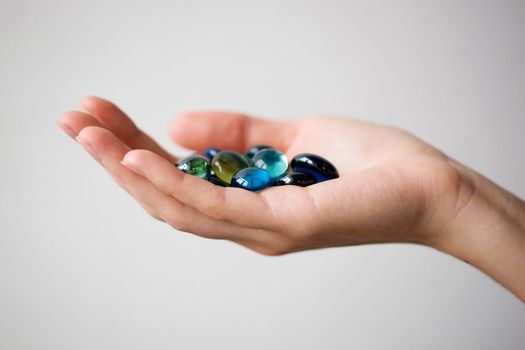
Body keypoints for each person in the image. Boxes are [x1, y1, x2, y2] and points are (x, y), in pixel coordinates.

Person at [57, 96, 525, 302]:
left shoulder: (268, 167)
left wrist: (447, 199)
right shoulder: (235, 166)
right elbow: (249, 168)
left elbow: (273, 168)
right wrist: (453, 200)